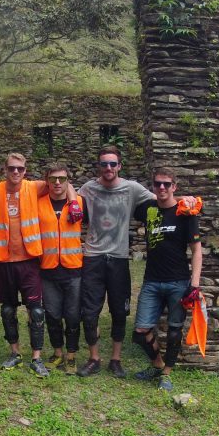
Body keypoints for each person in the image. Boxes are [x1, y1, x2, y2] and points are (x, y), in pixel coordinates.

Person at [0, 153, 81, 378]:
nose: (15, 172)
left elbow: (64, 183)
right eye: (11, 168)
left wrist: (74, 201)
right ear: (4, 170)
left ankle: (36, 358)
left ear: (25, 170)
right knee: (8, 310)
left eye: (19, 168)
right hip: (3, 260)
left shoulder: (34, 187)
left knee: (36, 311)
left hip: (29, 260)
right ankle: (14, 353)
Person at [74, 145, 154, 378]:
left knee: (119, 312)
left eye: (112, 164)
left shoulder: (132, 189)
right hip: (93, 257)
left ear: (119, 166)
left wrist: (185, 200)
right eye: (103, 164)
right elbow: (70, 198)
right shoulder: (88, 188)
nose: (108, 168)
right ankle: (94, 358)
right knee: (89, 312)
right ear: (98, 166)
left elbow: (161, 198)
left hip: (119, 259)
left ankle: (116, 360)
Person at [131, 168, 203, 392]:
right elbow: (133, 202)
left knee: (174, 331)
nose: (161, 187)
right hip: (152, 280)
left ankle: (167, 375)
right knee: (140, 332)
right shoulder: (147, 209)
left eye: (166, 184)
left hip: (178, 281)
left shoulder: (186, 212)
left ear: (174, 186)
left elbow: (197, 251)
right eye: (157, 183)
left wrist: (195, 284)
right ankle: (158, 365)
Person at [37, 163, 84, 375]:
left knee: (73, 316)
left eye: (62, 179)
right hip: (47, 270)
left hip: (73, 268)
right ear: (46, 181)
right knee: (53, 315)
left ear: (68, 181)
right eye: (53, 178)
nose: (57, 182)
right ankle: (57, 353)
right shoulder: (38, 204)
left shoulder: (80, 203)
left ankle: (71, 356)